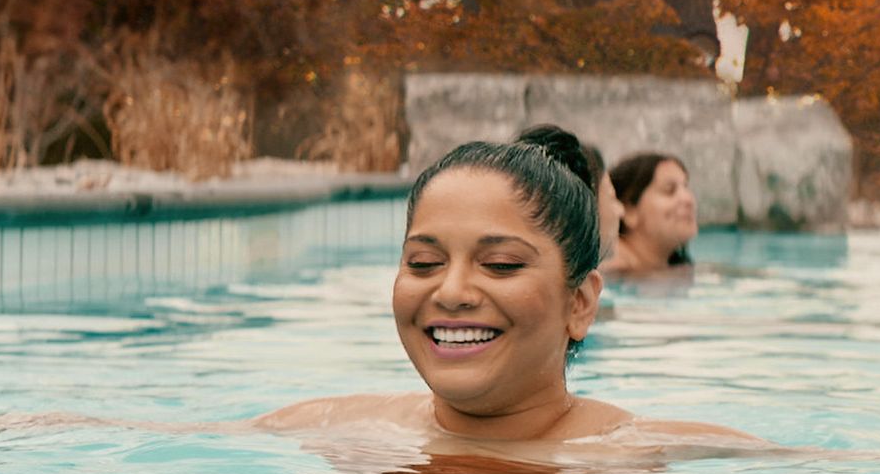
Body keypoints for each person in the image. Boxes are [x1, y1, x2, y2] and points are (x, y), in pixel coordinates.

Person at [263, 125, 750, 453]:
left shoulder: (633, 460)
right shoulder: (332, 430)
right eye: (424, 262)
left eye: (499, 264)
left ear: (580, 303)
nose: (451, 291)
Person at [607, 150, 697, 274]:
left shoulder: (673, 266)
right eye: (669, 190)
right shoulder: (609, 261)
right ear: (629, 211)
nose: (688, 199)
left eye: (686, 187)